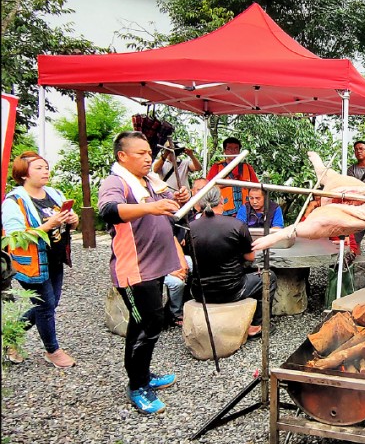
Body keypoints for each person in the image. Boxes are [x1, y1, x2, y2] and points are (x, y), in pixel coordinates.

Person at [98, 131, 190, 415]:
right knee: (145, 326)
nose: (148, 157)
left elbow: (167, 203)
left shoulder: (149, 180)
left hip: (156, 266)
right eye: (140, 153)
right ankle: (137, 385)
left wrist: (178, 196)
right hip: (134, 271)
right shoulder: (115, 181)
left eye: (149, 152)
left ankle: (145, 374)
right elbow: (109, 210)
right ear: (122, 156)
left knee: (150, 324)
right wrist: (150, 207)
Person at [2, 152, 79, 367]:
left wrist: (73, 220)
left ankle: (10, 339)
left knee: (50, 303)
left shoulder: (54, 193)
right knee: (46, 305)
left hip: (55, 258)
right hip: (32, 263)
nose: (45, 171)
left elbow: (69, 224)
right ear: (23, 174)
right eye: (38, 168)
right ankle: (52, 351)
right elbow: (16, 238)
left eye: (46, 166)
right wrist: (48, 225)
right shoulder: (14, 201)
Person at [188, 186, 276, 339]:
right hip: (232, 289)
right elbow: (250, 257)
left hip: (199, 291)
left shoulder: (190, 227)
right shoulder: (236, 225)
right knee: (270, 277)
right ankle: (256, 325)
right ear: (222, 201)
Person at [206, 137, 259, 216]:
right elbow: (208, 187)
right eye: (229, 148)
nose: (232, 151)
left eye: (236, 149)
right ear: (224, 151)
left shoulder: (247, 167)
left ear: (239, 151)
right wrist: (230, 183)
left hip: (246, 212)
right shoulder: (216, 167)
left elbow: (256, 187)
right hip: (223, 212)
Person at [346, 140, 365, 249]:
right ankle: (356, 260)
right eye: (356, 149)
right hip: (357, 207)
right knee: (355, 238)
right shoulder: (351, 170)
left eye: (361, 149)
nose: (358, 151)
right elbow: (351, 188)